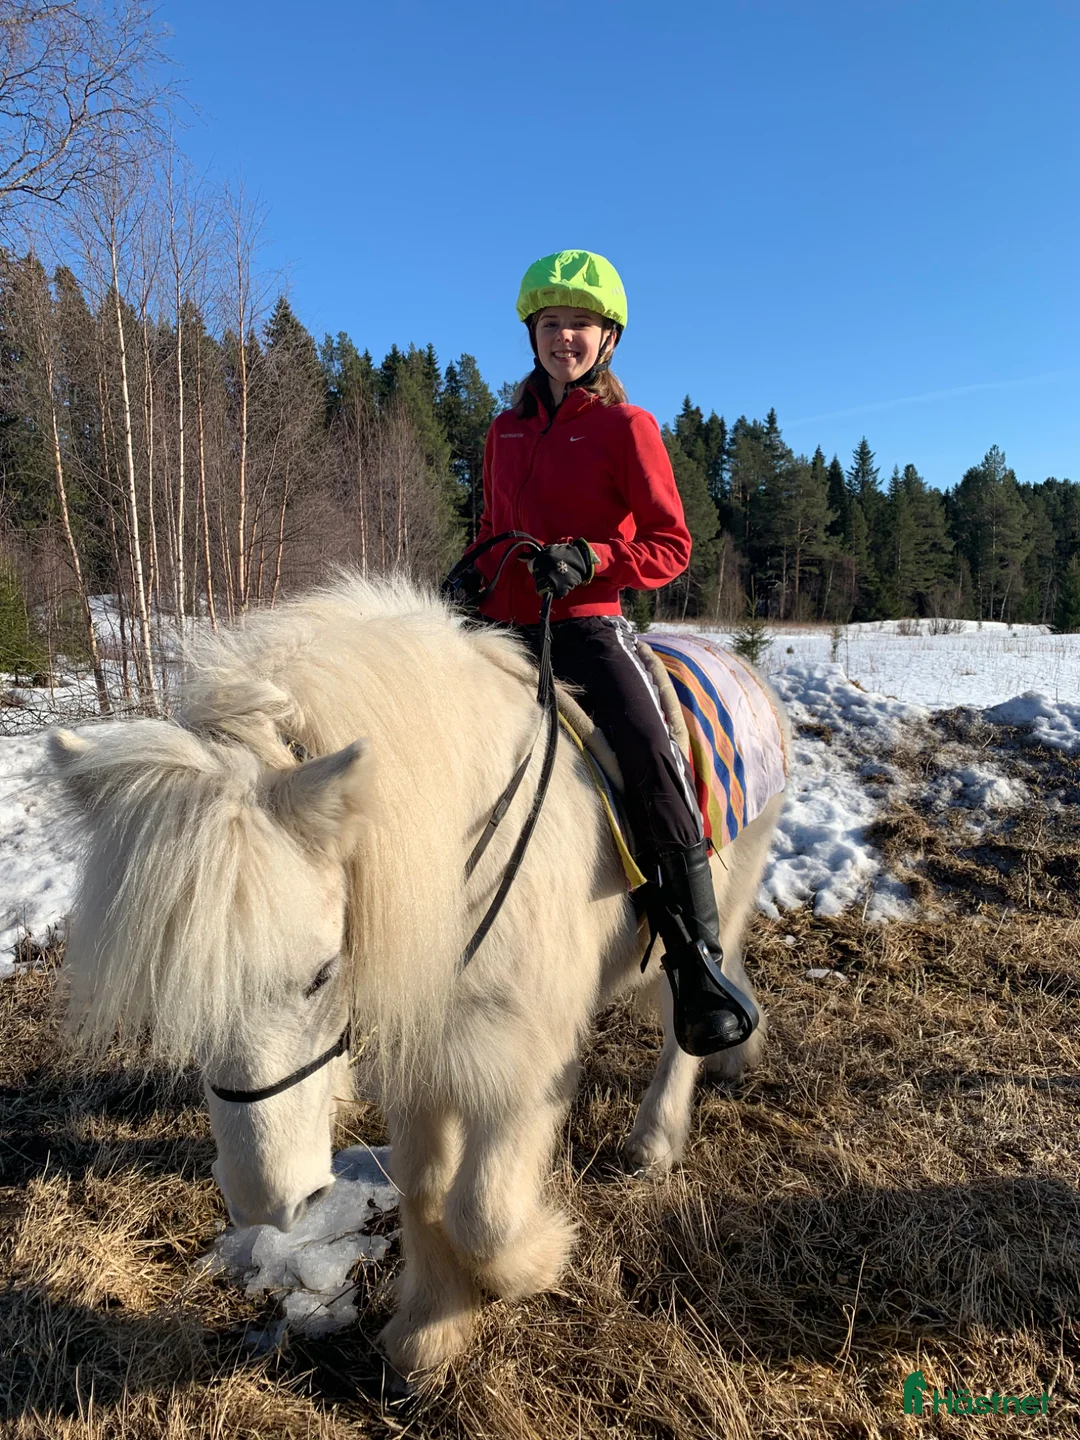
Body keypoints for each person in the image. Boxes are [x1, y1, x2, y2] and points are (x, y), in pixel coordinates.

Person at [445, 250, 756, 1056]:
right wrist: (470, 578)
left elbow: (671, 544)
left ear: (608, 337)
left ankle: (695, 959)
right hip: (500, 631)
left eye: (580, 324)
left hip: (584, 626)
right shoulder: (504, 429)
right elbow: (491, 531)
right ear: (532, 335)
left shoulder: (627, 428)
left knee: (651, 751)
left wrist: (590, 558)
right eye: (551, 324)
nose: (564, 338)